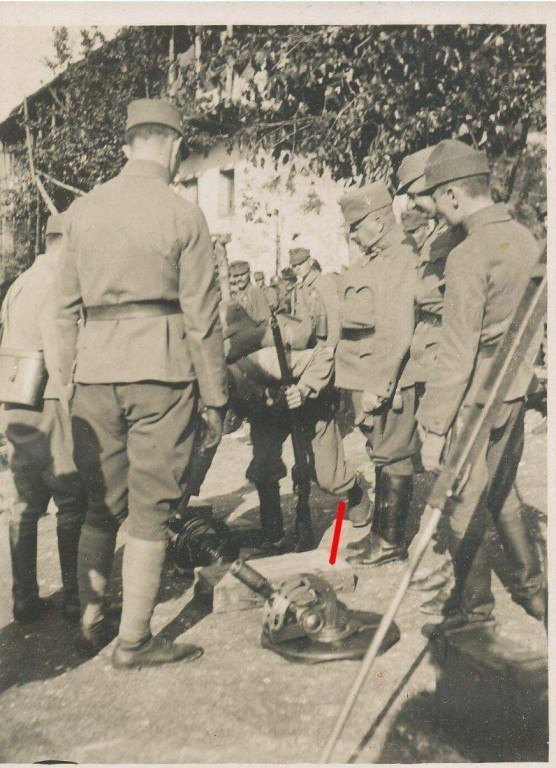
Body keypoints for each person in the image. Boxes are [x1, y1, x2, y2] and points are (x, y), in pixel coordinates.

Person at [58, 98, 228, 668]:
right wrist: (216, 396)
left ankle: (91, 621)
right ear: (175, 147)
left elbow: (63, 310)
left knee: (100, 506)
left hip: (93, 372)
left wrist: (66, 381)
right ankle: (134, 640)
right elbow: (202, 317)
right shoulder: (185, 215)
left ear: (127, 145)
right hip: (163, 371)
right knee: (152, 508)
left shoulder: (81, 211)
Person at [416, 139, 545, 632]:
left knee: (460, 502)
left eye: (436, 197)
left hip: (476, 398)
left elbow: (456, 351)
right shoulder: (526, 238)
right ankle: (535, 592)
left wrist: (434, 427)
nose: (436, 208)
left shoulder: (468, 255)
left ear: (453, 195)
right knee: (503, 490)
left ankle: (474, 611)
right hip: (514, 388)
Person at [1, 213, 87, 623]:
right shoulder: (56, 282)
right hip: (51, 400)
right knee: (71, 500)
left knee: (25, 503)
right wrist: (73, 402)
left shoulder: (19, 283)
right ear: (66, 242)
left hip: (17, 403)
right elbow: (58, 350)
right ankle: (74, 598)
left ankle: (24, 599)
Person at [395, 146, 465, 611]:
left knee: (453, 466)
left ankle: (450, 568)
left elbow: (446, 298)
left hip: (449, 359)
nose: (413, 204)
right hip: (432, 359)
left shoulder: (456, 236)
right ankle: (441, 557)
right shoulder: (436, 233)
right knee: (443, 463)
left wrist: (417, 295)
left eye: (415, 194)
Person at [334, 182, 418, 567]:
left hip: (389, 378)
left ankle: (389, 542)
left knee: (392, 456)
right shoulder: (376, 260)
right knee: (382, 455)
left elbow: (396, 331)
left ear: (379, 222)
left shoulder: (399, 259)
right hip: (372, 373)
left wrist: (378, 386)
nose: (352, 234)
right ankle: (380, 536)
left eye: (356, 226)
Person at [289, 246, 342, 346]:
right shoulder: (298, 288)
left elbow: (334, 317)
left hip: (323, 342)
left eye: (300, 263)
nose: (297, 268)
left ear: (310, 262)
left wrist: (331, 345)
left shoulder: (323, 282)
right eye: (294, 266)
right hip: (306, 343)